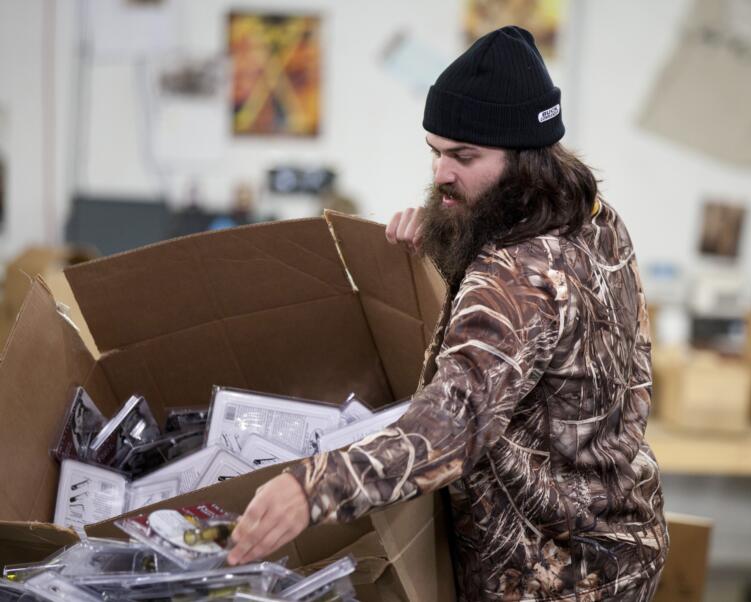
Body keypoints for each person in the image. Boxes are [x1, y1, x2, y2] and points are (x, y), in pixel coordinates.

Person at [226, 25, 668, 600]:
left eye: (464, 156)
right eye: (434, 152)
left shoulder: (518, 274)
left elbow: (454, 420)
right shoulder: (592, 215)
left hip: (554, 575)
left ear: (525, 157)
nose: (440, 174)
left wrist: (314, 487)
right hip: (623, 542)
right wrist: (444, 239)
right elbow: (546, 335)